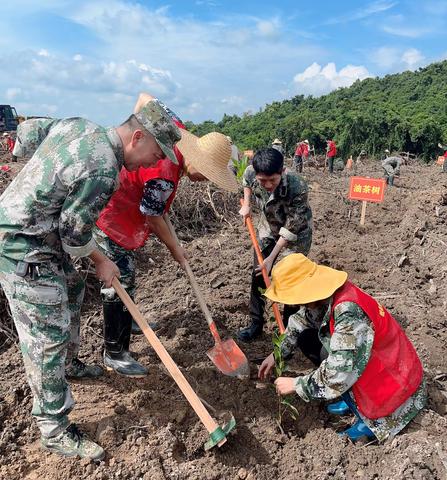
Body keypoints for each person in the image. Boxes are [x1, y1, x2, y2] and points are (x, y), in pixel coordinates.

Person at [0, 95, 181, 460]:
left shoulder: (80, 125)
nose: (156, 163)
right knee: (46, 335)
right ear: (138, 138)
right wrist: (103, 261)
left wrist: (37, 176)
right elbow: (74, 234)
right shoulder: (103, 171)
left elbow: (31, 131)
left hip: (40, 233)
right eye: (156, 154)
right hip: (23, 245)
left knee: (73, 286)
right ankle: (54, 428)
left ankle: (70, 363)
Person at [91, 94, 237, 377]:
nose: (204, 180)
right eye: (206, 174)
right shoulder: (165, 173)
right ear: (196, 161)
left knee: (128, 274)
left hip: (129, 211)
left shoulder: (175, 131)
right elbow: (153, 217)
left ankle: (128, 317)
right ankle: (115, 352)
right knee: (119, 278)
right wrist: (175, 249)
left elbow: (145, 97)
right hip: (115, 214)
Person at [259, 254, 426, 443]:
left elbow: (339, 373)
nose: (297, 304)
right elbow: (301, 320)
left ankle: (370, 421)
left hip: (396, 386)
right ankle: (354, 401)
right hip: (376, 362)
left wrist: (297, 384)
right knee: (307, 339)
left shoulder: (348, 314)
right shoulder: (327, 296)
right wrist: (277, 353)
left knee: (339, 371)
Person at [237, 148, 312, 342]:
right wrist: (246, 204)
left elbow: (292, 225)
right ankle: (255, 322)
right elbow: (246, 180)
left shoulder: (298, 186)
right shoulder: (253, 171)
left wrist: (271, 259)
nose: (268, 185)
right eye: (263, 181)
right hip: (268, 227)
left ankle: (289, 329)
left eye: (273, 180)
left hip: (295, 233)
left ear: (282, 171)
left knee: (290, 277)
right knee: (258, 272)